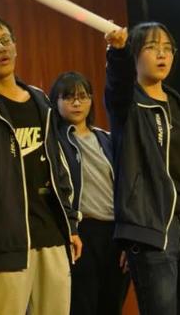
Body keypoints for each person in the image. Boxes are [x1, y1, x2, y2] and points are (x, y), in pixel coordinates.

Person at [0, 13, 82, 315]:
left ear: (15, 45)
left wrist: (70, 223)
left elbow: (58, 166)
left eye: (5, 40)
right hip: (3, 241)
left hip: (51, 235)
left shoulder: (40, 100)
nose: (1, 48)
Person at [105, 22, 180, 314]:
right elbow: (118, 84)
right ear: (135, 55)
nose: (162, 54)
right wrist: (118, 52)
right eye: (151, 47)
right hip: (151, 227)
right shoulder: (127, 104)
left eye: (167, 48)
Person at [50, 71, 129, 315]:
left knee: (111, 305)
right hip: (81, 233)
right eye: (68, 97)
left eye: (83, 96)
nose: (77, 103)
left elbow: (127, 187)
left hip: (115, 233)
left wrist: (128, 236)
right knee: (82, 306)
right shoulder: (54, 141)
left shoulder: (106, 138)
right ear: (56, 102)